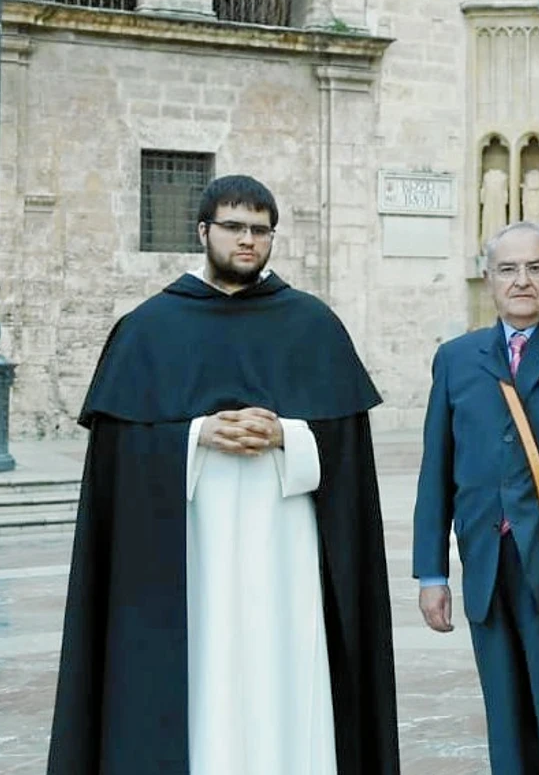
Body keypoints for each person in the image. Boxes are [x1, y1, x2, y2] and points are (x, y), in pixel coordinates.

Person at [52, 174, 399, 775]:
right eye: (235, 228)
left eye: (260, 231)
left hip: (288, 551)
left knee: (286, 671)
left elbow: (348, 453)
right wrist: (195, 435)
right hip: (189, 554)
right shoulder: (149, 328)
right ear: (203, 231)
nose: (248, 242)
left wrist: (287, 435)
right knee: (201, 674)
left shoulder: (311, 325)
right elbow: (115, 455)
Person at [414, 221, 539, 775]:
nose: (522, 281)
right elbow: (439, 467)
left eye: (536, 268)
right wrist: (431, 573)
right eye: (508, 269)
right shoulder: (458, 357)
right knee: (507, 720)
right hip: (487, 559)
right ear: (488, 278)